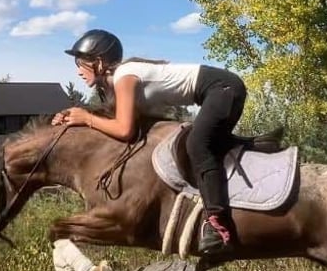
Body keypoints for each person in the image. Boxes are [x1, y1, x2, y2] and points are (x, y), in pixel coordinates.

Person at [51, 28, 247, 256]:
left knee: (198, 144)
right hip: (215, 92)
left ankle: (218, 225)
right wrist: (72, 118)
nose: (78, 71)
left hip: (224, 88)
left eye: (81, 63)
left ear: (99, 62)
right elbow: (112, 125)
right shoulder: (114, 85)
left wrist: (85, 118)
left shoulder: (125, 77)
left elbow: (124, 130)